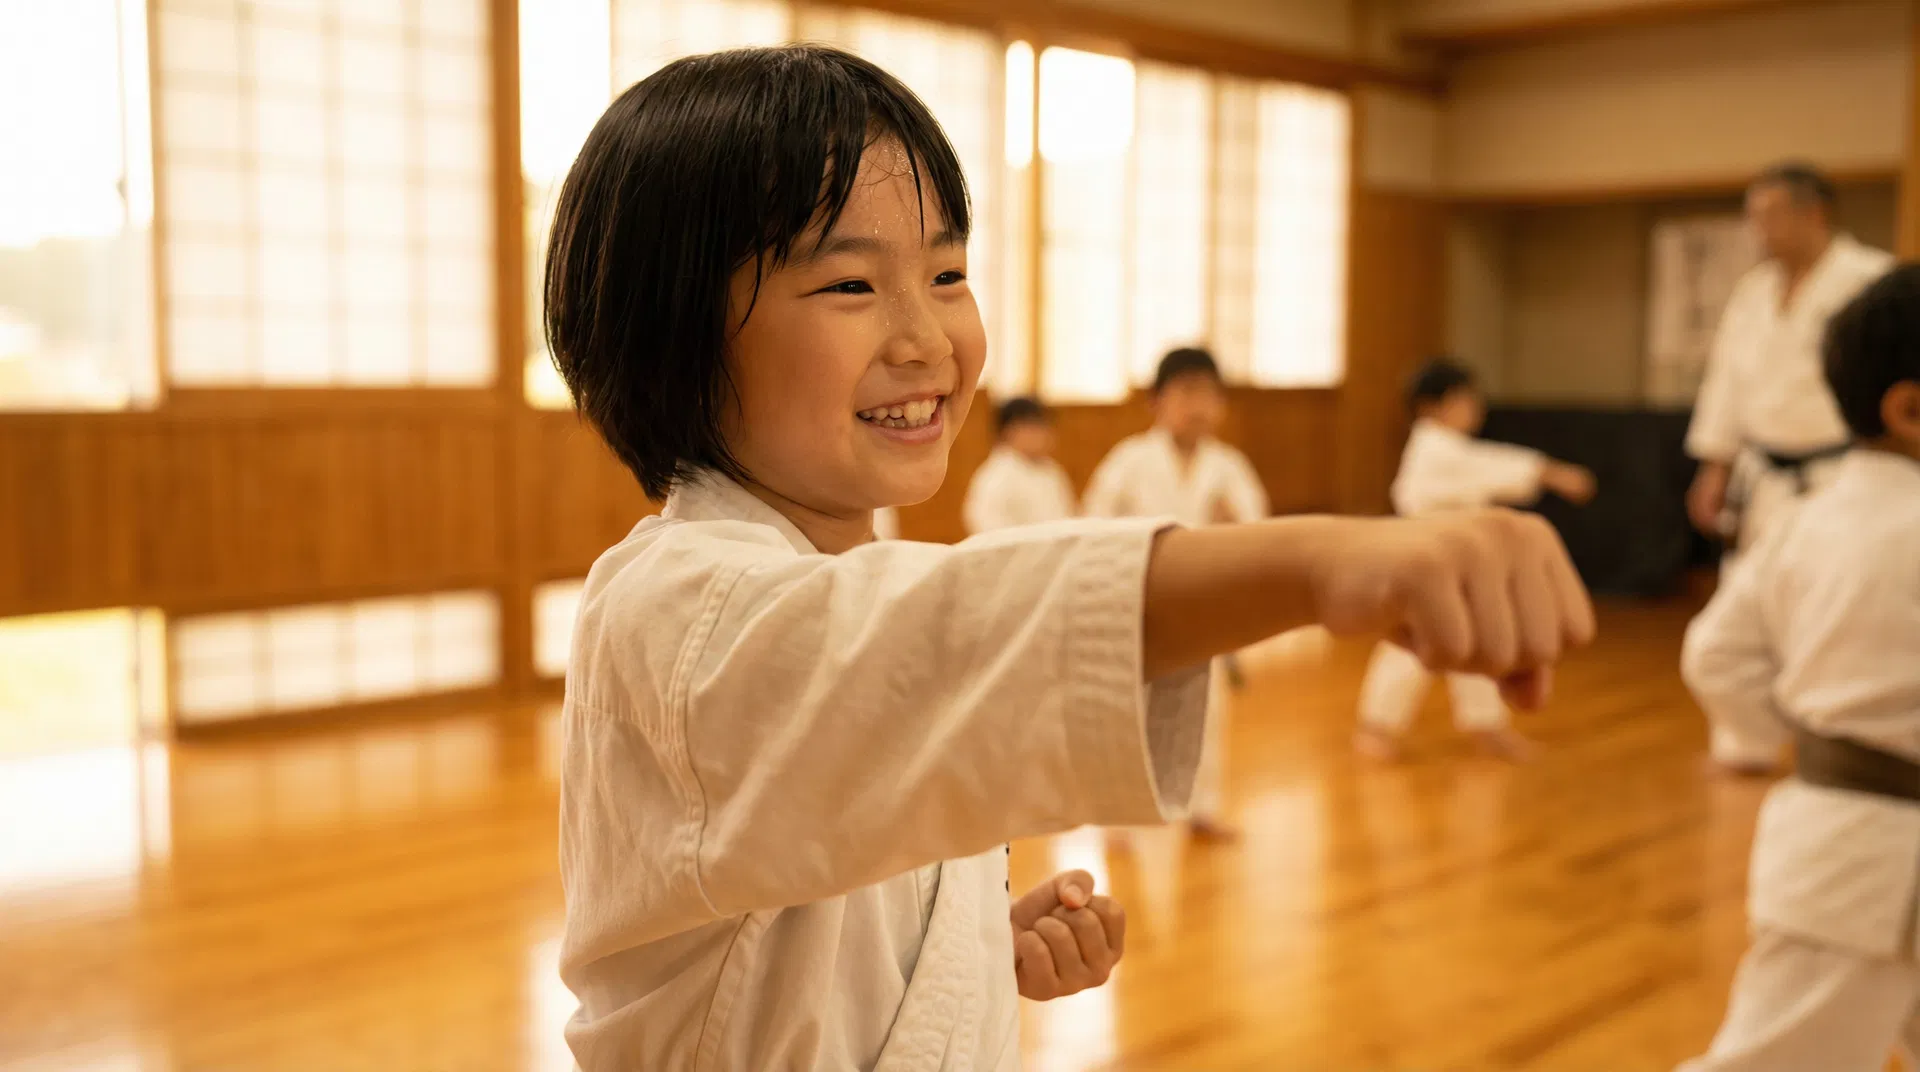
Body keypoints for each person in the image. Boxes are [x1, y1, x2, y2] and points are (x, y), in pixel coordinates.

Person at [543, 44, 1594, 1071]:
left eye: (949, 272)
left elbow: (840, 833)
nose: (930, 338)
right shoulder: (673, 612)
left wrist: (965, 945)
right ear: (674, 333)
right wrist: (1319, 564)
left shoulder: (840, 587)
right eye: (851, 286)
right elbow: (924, 651)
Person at [1676, 263, 1919, 1072]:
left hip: (1834, 830)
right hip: (1863, 858)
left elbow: (1717, 655)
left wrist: (1804, 733)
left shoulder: (1806, 524)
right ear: (1911, 409)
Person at [1684, 162, 1894, 773]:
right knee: (1744, 612)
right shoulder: (1753, 291)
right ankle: (1745, 740)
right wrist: (1714, 466)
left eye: (1771, 215)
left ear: (1814, 213)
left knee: (1832, 608)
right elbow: (1725, 383)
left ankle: (1830, 740)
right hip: (1766, 476)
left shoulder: (1870, 281)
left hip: (1844, 473)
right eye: (1754, 218)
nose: (1760, 231)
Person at [1354, 358, 1596, 763]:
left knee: (1474, 641)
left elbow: (1483, 467)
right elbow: (1486, 466)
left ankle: (1486, 724)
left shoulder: (1449, 448)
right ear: (1432, 408)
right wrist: (1550, 473)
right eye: (1463, 400)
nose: (1473, 407)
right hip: (1423, 558)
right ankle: (1375, 726)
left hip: (1459, 560)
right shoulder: (1434, 448)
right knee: (1411, 645)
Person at [1083, 348, 1270, 839]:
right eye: (1186, 393)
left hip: (1203, 605)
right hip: (1135, 600)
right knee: (1127, 711)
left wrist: (1235, 524)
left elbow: (1258, 532)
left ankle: (1203, 808)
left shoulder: (1229, 466)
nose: (1198, 406)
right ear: (1157, 402)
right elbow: (1094, 521)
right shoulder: (1129, 460)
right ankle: (1115, 824)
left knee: (1208, 710)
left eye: (1209, 395)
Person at [962, 396, 1076, 534]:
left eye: (1046, 426)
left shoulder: (1051, 470)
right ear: (1010, 431)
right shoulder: (996, 476)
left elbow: (1069, 518)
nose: (1045, 434)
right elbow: (987, 531)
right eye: (1036, 427)